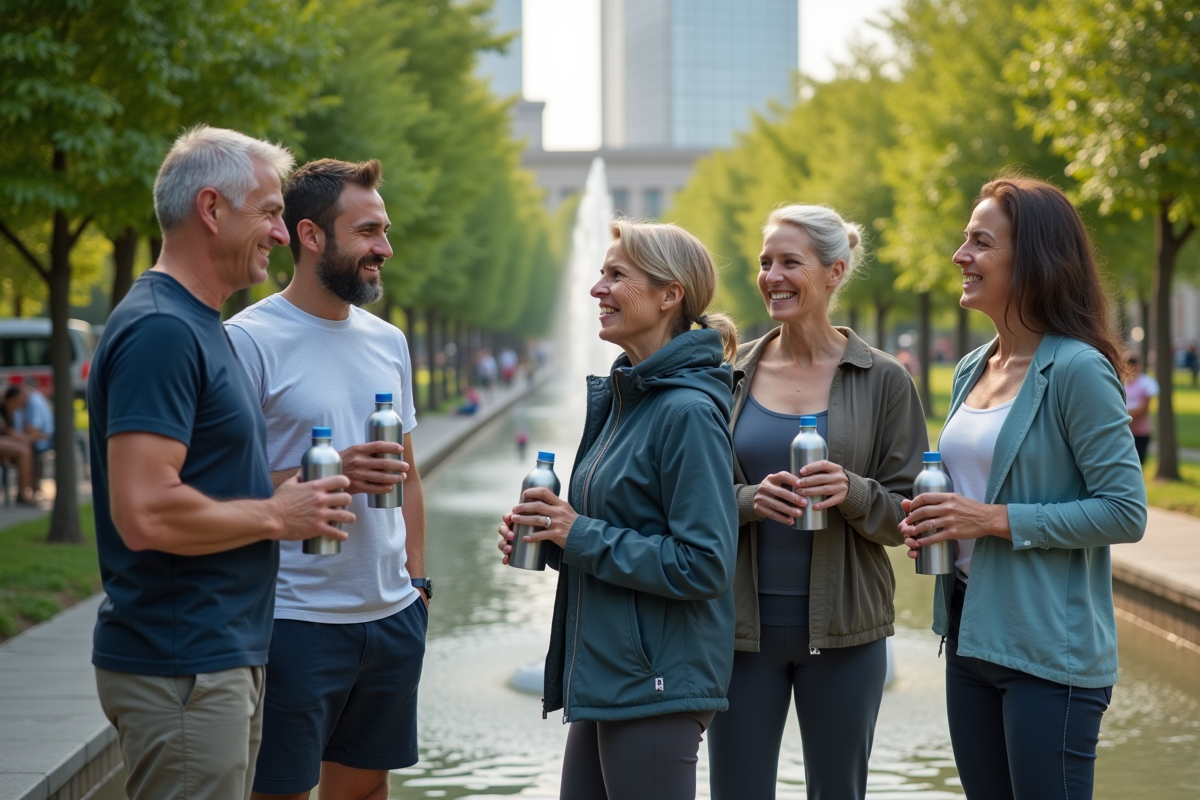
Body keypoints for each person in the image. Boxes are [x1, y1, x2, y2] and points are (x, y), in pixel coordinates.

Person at [88, 126, 355, 800]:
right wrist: (274, 514)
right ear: (211, 209)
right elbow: (145, 511)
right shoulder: (163, 330)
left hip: (214, 658)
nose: (281, 233)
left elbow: (210, 484)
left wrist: (312, 480)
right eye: (269, 213)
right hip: (183, 664)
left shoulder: (199, 324)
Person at [901, 176, 1147, 800]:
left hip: (1046, 653)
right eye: (964, 241)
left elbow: (1124, 512)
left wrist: (991, 520)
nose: (961, 256)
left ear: (1033, 260)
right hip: (967, 635)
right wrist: (936, 521)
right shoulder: (970, 367)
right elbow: (972, 489)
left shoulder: (1078, 369)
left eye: (980, 243)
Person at [497, 220, 740, 800]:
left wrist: (577, 532)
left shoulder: (686, 413)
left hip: (655, 681)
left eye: (616, 275)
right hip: (613, 673)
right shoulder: (629, 399)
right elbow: (620, 533)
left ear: (669, 294)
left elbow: (704, 563)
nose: (596, 289)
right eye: (600, 273)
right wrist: (555, 539)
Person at [705, 205, 929, 800]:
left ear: (834, 272)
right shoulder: (725, 375)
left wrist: (853, 492)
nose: (772, 275)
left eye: (789, 262)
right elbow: (689, 503)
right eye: (765, 262)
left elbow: (911, 513)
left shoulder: (885, 380)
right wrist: (750, 500)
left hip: (847, 634)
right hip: (738, 634)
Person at [225, 158, 428, 800]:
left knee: (367, 793)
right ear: (311, 235)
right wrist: (332, 470)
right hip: (293, 620)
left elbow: (411, 478)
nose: (384, 249)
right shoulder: (248, 340)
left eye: (385, 231)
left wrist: (416, 585)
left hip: (391, 616)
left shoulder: (389, 341)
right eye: (368, 232)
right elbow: (220, 487)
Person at [0, 393, 36, 505]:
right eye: (17, 401)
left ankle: (27, 490)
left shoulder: (10, 412)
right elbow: (7, 431)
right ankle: (23, 494)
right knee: (23, 451)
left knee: (26, 448)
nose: (19, 404)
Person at [1124, 351, 1159, 464]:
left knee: (1138, 462)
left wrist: (1124, 416)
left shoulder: (1147, 383)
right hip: (1124, 430)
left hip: (1141, 431)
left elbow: (1144, 408)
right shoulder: (1121, 382)